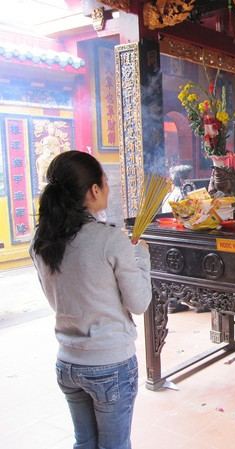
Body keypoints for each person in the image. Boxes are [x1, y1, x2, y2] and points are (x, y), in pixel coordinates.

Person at [30, 151, 152, 448]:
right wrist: (142, 257)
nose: (107, 188)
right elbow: (139, 303)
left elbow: (57, 300)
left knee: (84, 443)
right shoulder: (109, 239)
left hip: (68, 362)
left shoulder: (41, 241)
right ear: (94, 190)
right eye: (105, 182)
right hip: (109, 363)